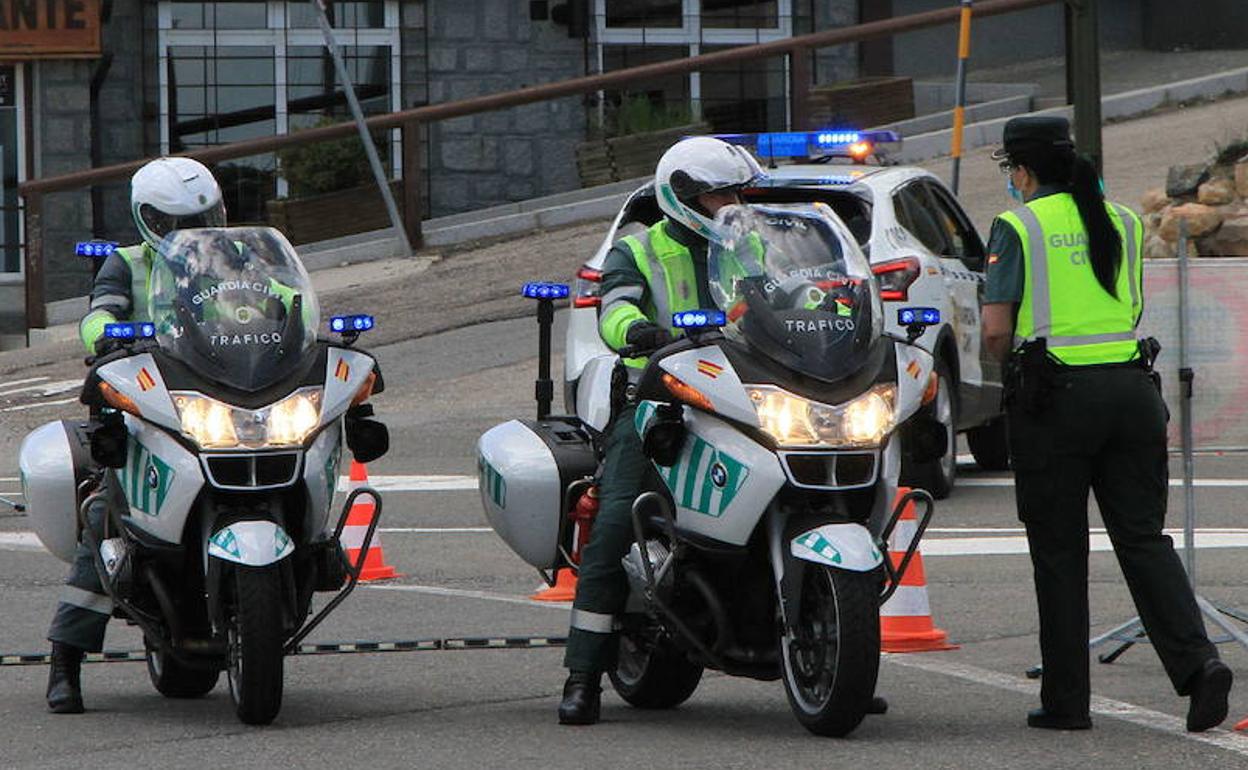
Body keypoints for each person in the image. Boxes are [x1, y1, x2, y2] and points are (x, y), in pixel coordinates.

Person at [981, 116, 1232, 733]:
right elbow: (1132, 304)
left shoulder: (1019, 225)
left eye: (1010, 170)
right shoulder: (1120, 218)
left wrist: (1009, 365)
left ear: (1023, 170)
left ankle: (1068, 702)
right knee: (1143, 539)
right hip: (1130, 392)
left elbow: (994, 329)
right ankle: (1198, 665)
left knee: (1060, 552)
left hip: (1055, 400)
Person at [557, 136, 763, 725]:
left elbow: (795, 294)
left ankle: (835, 649)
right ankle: (583, 675)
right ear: (683, 197)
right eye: (718, 194)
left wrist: (833, 307)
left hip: (746, 395)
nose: (730, 204)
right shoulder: (639, 249)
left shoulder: (752, 247)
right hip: (658, 401)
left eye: (735, 193)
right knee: (619, 514)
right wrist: (643, 333)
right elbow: (614, 311)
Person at [46, 157, 226, 714]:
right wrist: (111, 336)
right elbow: (97, 316)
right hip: (144, 404)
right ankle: (65, 660)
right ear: (148, 219)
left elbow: (276, 299)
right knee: (106, 515)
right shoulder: (125, 264)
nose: (190, 234)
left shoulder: (234, 258)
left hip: (221, 397)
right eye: (176, 222)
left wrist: (298, 320)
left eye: (201, 220)